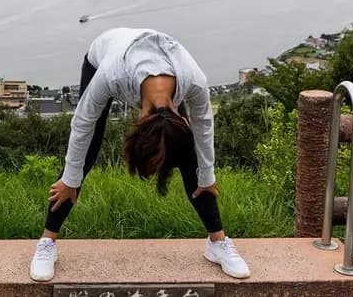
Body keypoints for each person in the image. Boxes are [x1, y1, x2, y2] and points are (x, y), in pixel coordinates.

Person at [29, 28, 251, 281]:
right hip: (105, 52)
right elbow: (82, 122)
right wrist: (69, 180)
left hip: (156, 63)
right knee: (86, 150)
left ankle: (218, 243)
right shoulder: (111, 74)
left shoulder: (193, 80)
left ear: (182, 118)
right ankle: (48, 241)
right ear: (139, 120)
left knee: (193, 160)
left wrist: (207, 176)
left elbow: (203, 123)